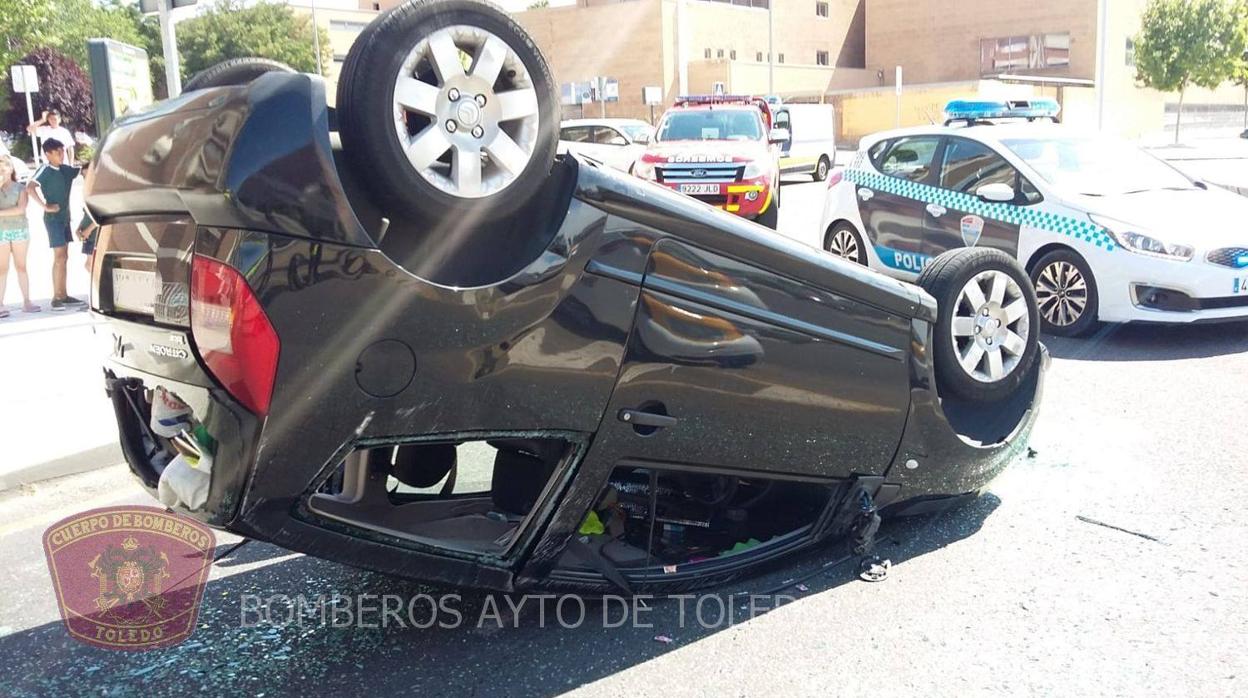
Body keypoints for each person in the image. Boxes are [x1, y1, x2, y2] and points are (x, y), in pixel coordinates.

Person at [26, 139, 82, 311]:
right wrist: (45, 206)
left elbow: (85, 169)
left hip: (65, 218)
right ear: (48, 154)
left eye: (63, 151)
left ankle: (63, 294)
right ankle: (56, 297)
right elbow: (29, 187)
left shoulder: (66, 170)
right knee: (59, 256)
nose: (61, 155)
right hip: (53, 220)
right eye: (57, 152)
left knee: (65, 256)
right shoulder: (45, 169)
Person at [0, 156, 40, 317]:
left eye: (3, 169)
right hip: (1, 232)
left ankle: (27, 301)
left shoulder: (20, 188)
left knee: (21, 266)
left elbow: (21, 209)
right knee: (2, 269)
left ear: (10, 170)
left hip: (19, 230)